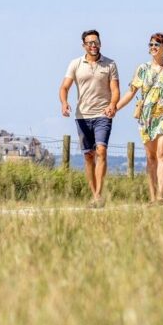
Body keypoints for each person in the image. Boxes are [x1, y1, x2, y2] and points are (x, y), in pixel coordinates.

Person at [115, 33, 163, 204]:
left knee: (161, 152)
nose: (153, 47)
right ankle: (152, 195)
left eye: (157, 44)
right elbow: (131, 92)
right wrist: (115, 108)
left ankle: (161, 195)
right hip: (147, 117)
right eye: (150, 45)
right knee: (151, 157)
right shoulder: (142, 69)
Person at [59, 29, 120, 207]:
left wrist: (112, 105)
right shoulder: (75, 64)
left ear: (100, 43)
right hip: (82, 116)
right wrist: (64, 103)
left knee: (101, 151)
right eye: (90, 43)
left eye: (96, 42)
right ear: (84, 45)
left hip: (103, 114)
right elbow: (64, 87)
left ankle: (99, 195)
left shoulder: (110, 64)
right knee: (89, 156)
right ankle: (94, 195)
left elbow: (115, 90)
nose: (93, 45)